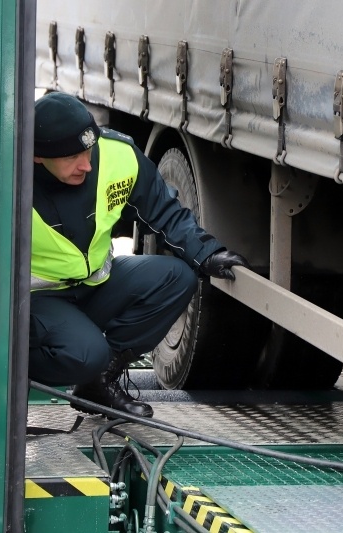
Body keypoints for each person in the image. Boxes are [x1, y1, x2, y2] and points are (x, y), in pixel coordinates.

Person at [29, 91, 249, 418]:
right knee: (87, 353)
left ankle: (98, 382)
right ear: (37, 157)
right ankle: (12, 374)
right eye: (73, 157)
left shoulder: (118, 156)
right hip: (37, 303)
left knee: (177, 279)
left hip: (94, 286)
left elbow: (164, 210)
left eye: (90, 150)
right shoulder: (7, 179)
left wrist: (207, 253)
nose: (87, 165)